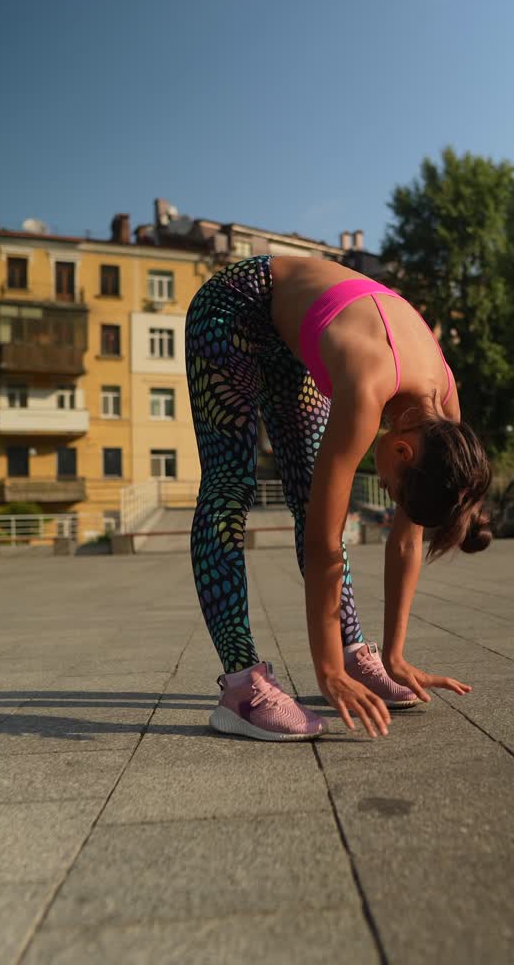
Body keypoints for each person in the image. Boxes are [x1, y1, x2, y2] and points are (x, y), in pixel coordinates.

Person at [185, 253, 492, 742]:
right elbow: (323, 540)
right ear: (402, 451)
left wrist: (395, 655)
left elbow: (407, 539)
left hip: (291, 334)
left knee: (310, 487)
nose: (383, 488)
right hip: (234, 305)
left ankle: (355, 654)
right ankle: (241, 687)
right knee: (230, 486)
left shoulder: (445, 424)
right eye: (391, 488)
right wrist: (324, 670)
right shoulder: (366, 388)